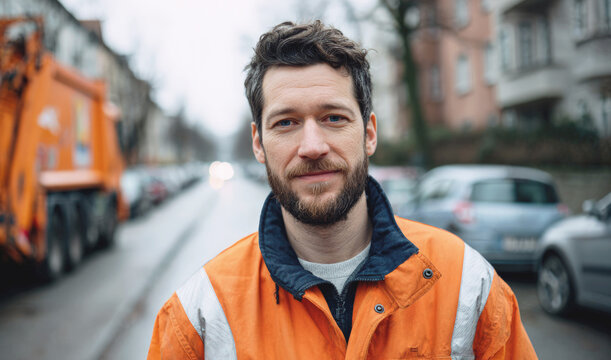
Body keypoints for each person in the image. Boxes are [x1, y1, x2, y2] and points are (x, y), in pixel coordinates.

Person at [148, 21, 537, 359]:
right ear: (257, 143)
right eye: (286, 123)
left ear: (369, 133)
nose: (312, 146)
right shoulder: (199, 314)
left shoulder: (467, 284)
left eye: (334, 117)